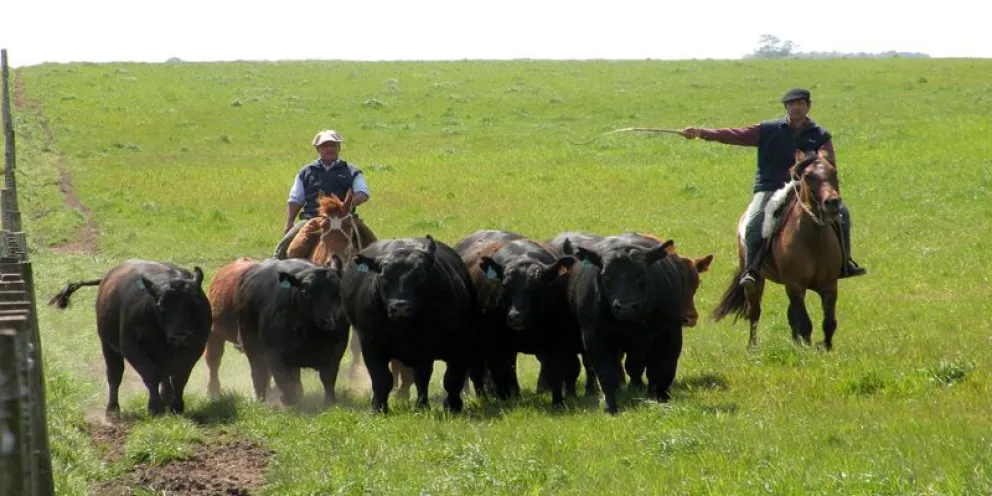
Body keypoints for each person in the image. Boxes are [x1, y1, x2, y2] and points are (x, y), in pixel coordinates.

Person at [680, 88, 867, 291]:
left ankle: (845, 263)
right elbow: (735, 134)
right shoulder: (768, 129)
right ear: (786, 108)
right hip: (771, 186)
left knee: (843, 213)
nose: (796, 107)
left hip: (806, 186)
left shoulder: (820, 134)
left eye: (801, 103)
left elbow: (827, 158)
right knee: (755, 220)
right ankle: (751, 270)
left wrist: (815, 162)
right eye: (792, 104)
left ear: (808, 106)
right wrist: (701, 133)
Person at [272, 129, 376, 259]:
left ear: (339, 147)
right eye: (325, 146)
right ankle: (278, 270)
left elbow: (363, 192)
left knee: (374, 247)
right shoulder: (306, 172)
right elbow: (296, 199)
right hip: (312, 218)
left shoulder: (351, 171)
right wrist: (290, 221)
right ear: (318, 149)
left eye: (333, 145)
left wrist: (350, 203)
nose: (329, 148)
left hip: (345, 218)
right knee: (284, 247)